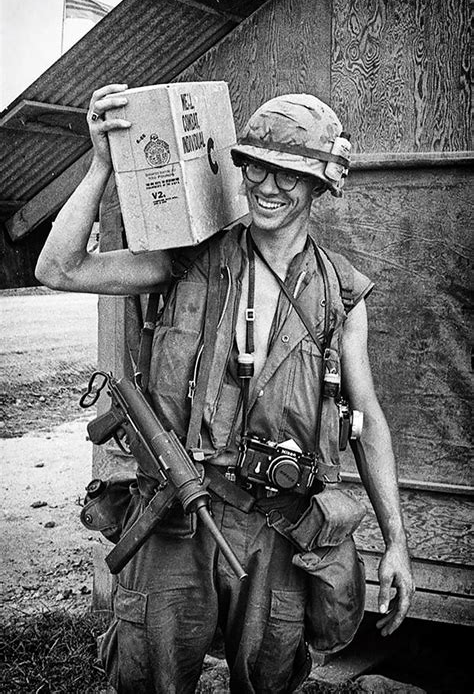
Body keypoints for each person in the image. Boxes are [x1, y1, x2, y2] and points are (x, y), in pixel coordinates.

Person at [35, 84, 414, 694]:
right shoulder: (186, 260)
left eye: (287, 174)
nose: (266, 186)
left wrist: (396, 541)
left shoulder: (341, 294)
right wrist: (102, 164)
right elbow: (59, 268)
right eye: (256, 167)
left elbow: (367, 417)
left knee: (267, 678)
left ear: (321, 185)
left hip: (277, 529)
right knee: (152, 676)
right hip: (177, 515)